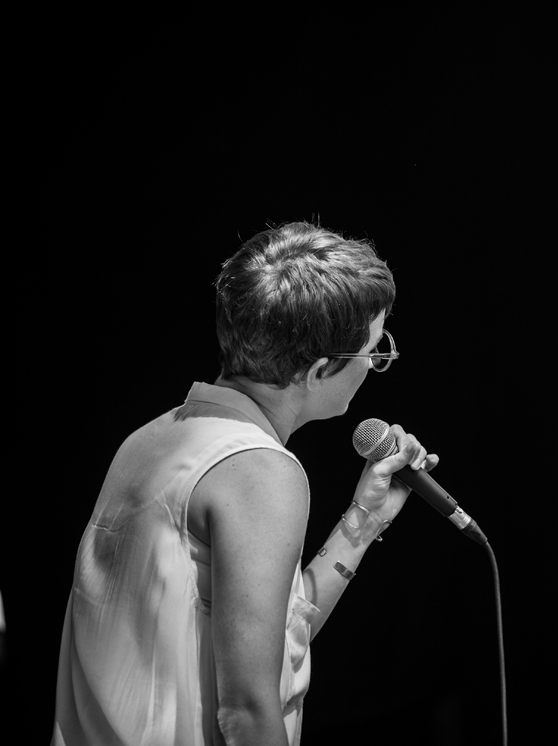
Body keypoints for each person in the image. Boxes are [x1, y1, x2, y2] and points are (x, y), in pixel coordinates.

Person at [53, 222, 434, 746]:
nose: (375, 365)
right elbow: (247, 710)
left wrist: (364, 520)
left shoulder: (150, 438)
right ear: (321, 369)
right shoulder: (262, 469)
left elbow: (270, 642)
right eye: (375, 349)